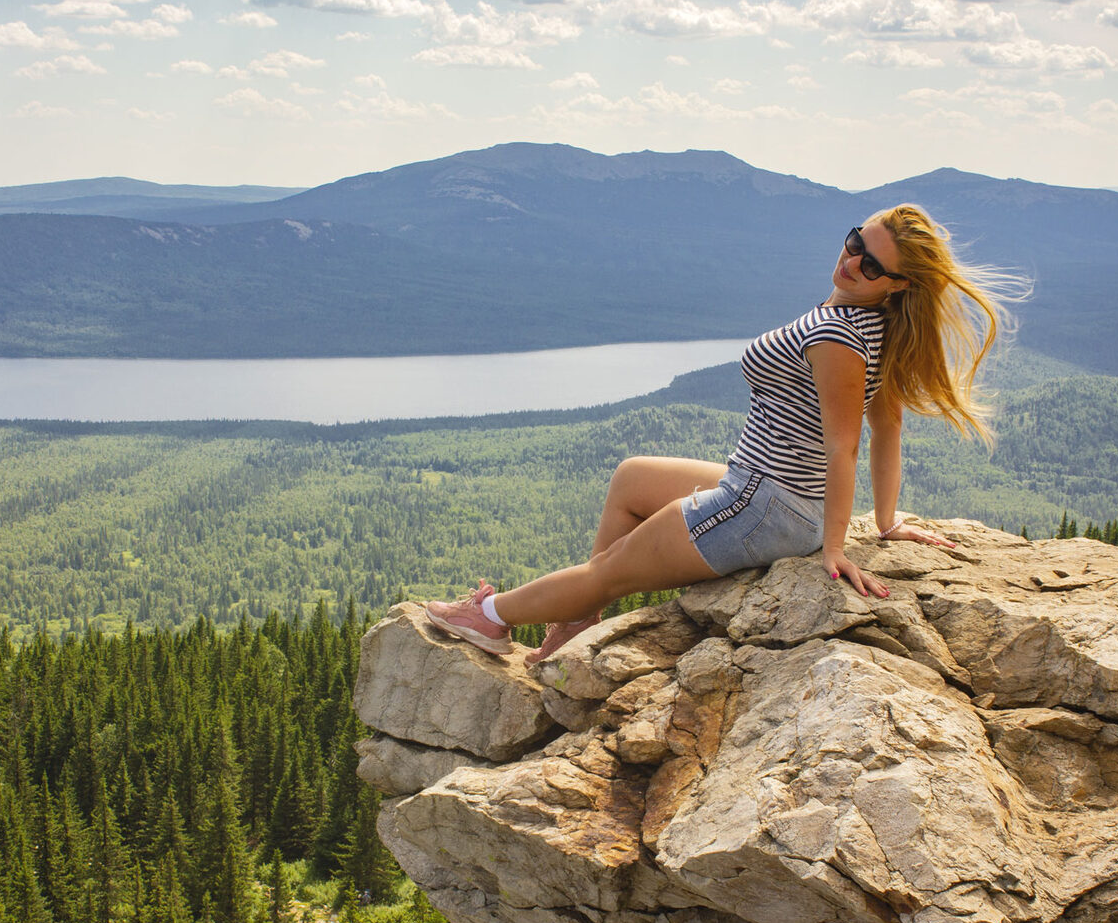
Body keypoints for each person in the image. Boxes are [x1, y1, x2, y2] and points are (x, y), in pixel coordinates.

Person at [425, 204, 1020, 663]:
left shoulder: (840, 335)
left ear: (897, 284)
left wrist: (835, 548)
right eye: (854, 241)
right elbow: (887, 420)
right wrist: (885, 522)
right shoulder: (872, 321)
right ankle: (578, 618)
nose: (851, 260)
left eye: (870, 264)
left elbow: (850, 444)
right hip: (765, 487)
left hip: (765, 504)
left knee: (612, 568)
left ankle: (492, 618)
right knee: (633, 477)